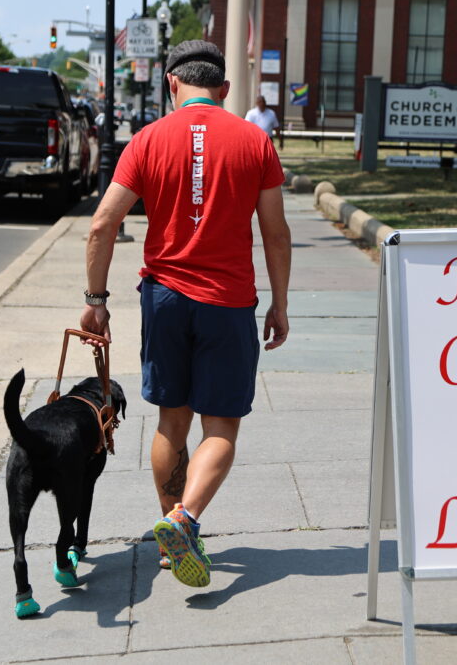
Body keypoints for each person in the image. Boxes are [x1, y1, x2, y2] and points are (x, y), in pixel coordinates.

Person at [80, 40, 291, 588]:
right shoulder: (254, 140)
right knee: (221, 425)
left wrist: (96, 302)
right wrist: (281, 303)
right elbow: (276, 232)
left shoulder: (148, 139)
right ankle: (184, 520)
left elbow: (103, 223)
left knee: (172, 420)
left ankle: (175, 547)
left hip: (165, 298)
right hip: (227, 302)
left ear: (172, 83)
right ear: (223, 89)